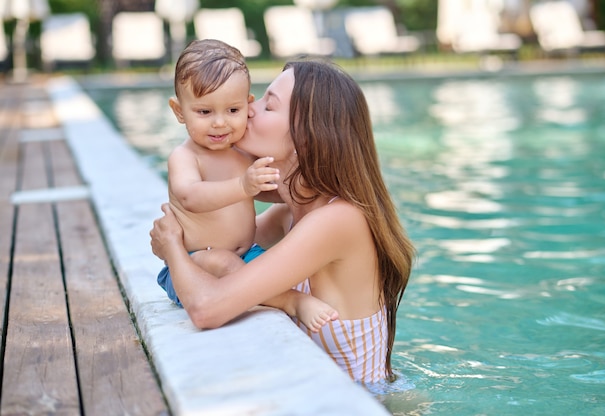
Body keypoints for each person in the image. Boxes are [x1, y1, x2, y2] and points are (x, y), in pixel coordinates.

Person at [150, 57, 415, 385]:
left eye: (268, 105)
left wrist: (172, 246)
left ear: (305, 136)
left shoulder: (337, 220)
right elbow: (211, 253)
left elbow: (207, 308)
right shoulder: (293, 213)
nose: (248, 109)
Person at [157, 39, 337, 332]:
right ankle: (291, 302)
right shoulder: (185, 156)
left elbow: (269, 189)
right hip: (196, 264)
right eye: (204, 112)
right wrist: (243, 185)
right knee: (225, 262)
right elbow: (190, 196)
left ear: (247, 105)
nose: (219, 123)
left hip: (247, 254)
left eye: (232, 110)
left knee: (277, 269)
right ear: (179, 112)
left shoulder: (241, 153)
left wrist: (307, 191)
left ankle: (284, 296)